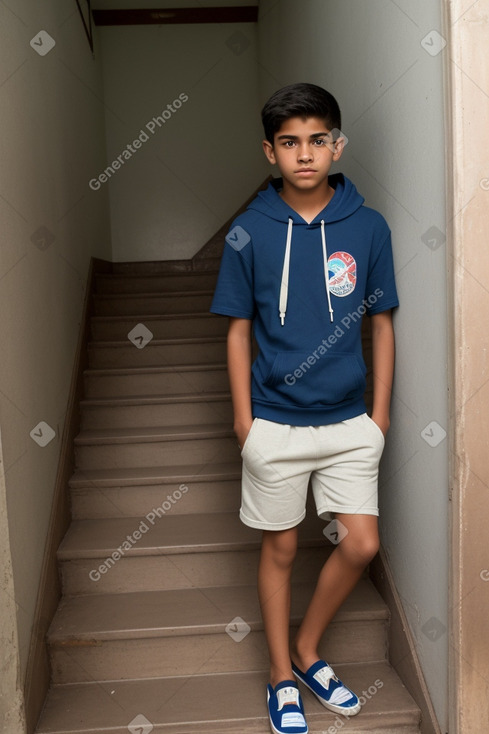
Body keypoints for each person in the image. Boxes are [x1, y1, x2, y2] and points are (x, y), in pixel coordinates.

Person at [210, 82, 398, 734]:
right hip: (275, 419)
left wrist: (379, 415)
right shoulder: (246, 233)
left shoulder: (368, 227)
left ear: (335, 145)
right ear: (269, 152)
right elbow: (236, 329)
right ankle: (278, 676)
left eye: (317, 139)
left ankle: (308, 647)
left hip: (348, 420)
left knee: (361, 544)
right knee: (283, 548)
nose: (305, 153)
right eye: (289, 142)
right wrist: (243, 421)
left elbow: (382, 322)